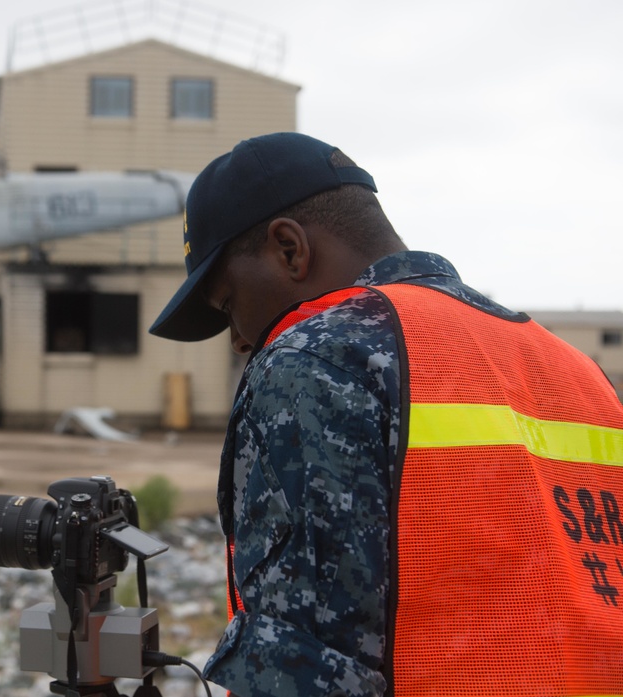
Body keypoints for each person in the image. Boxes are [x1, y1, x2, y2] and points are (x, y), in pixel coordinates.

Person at [149, 132, 623, 696]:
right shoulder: (575, 370)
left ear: (289, 249)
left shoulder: (318, 356)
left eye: (229, 304)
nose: (237, 339)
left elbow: (302, 665)